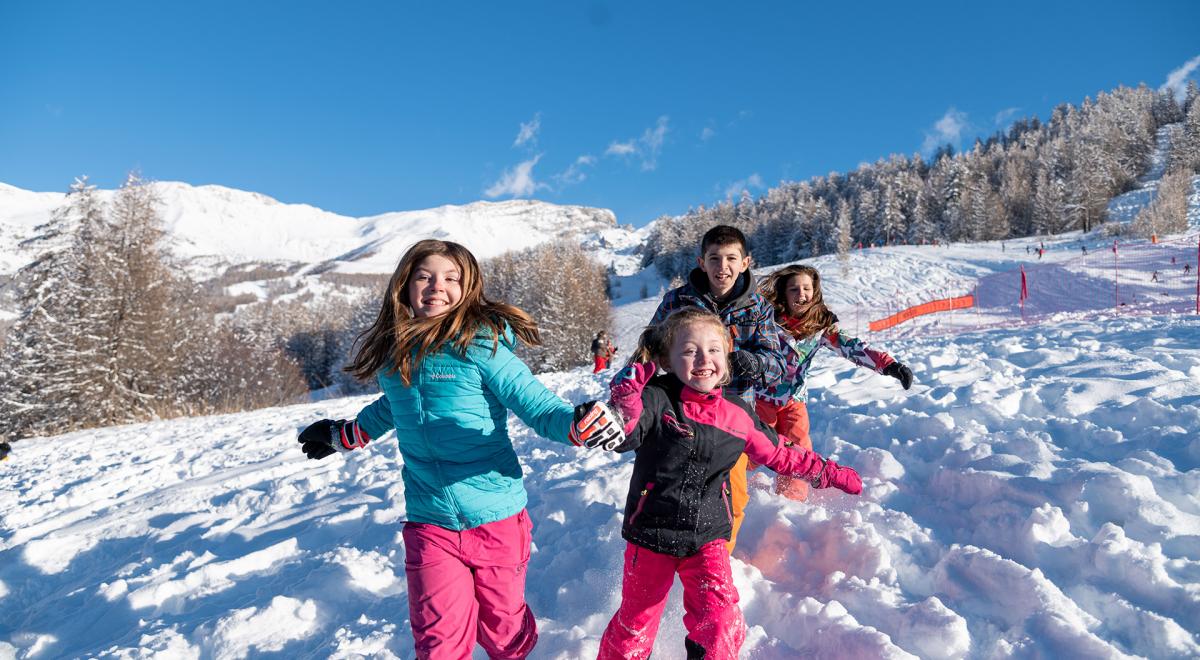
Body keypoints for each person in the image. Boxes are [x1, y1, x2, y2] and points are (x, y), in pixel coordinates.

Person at [296, 239, 623, 660]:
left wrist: (578, 426)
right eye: (425, 276)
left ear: (467, 289)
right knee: (438, 644)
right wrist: (343, 435)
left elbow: (539, 407)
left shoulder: (482, 347)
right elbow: (393, 407)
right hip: (430, 522)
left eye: (451, 278)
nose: (437, 286)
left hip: (495, 517)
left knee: (503, 635)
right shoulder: (396, 356)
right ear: (405, 286)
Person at [596, 307, 862, 659]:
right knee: (635, 626)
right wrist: (628, 394)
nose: (704, 359)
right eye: (690, 350)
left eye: (714, 349)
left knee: (721, 621)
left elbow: (781, 453)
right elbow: (627, 432)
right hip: (650, 535)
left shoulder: (736, 414)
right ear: (667, 360)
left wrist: (829, 473)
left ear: (727, 356)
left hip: (706, 538)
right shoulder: (656, 399)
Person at [642, 225, 787, 551]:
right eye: (715, 258)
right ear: (701, 262)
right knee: (674, 489)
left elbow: (777, 366)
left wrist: (754, 363)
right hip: (681, 412)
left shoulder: (758, 308)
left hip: (732, 418)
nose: (723, 266)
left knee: (732, 494)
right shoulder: (677, 301)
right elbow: (649, 350)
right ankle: (671, 555)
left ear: (745, 262)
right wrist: (638, 389)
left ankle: (719, 556)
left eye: (731, 258)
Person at [755, 265, 912, 502]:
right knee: (754, 447)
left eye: (806, 288)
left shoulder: (821, 325)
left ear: (815, 292)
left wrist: (888, 365)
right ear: (783, 293)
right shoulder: (767, 320)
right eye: (794, 289)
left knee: (799, 448)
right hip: (762, 397)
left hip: (794, 399)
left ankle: (790, 501)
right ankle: (725, 483)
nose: (801, 294)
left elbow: (851, 346)